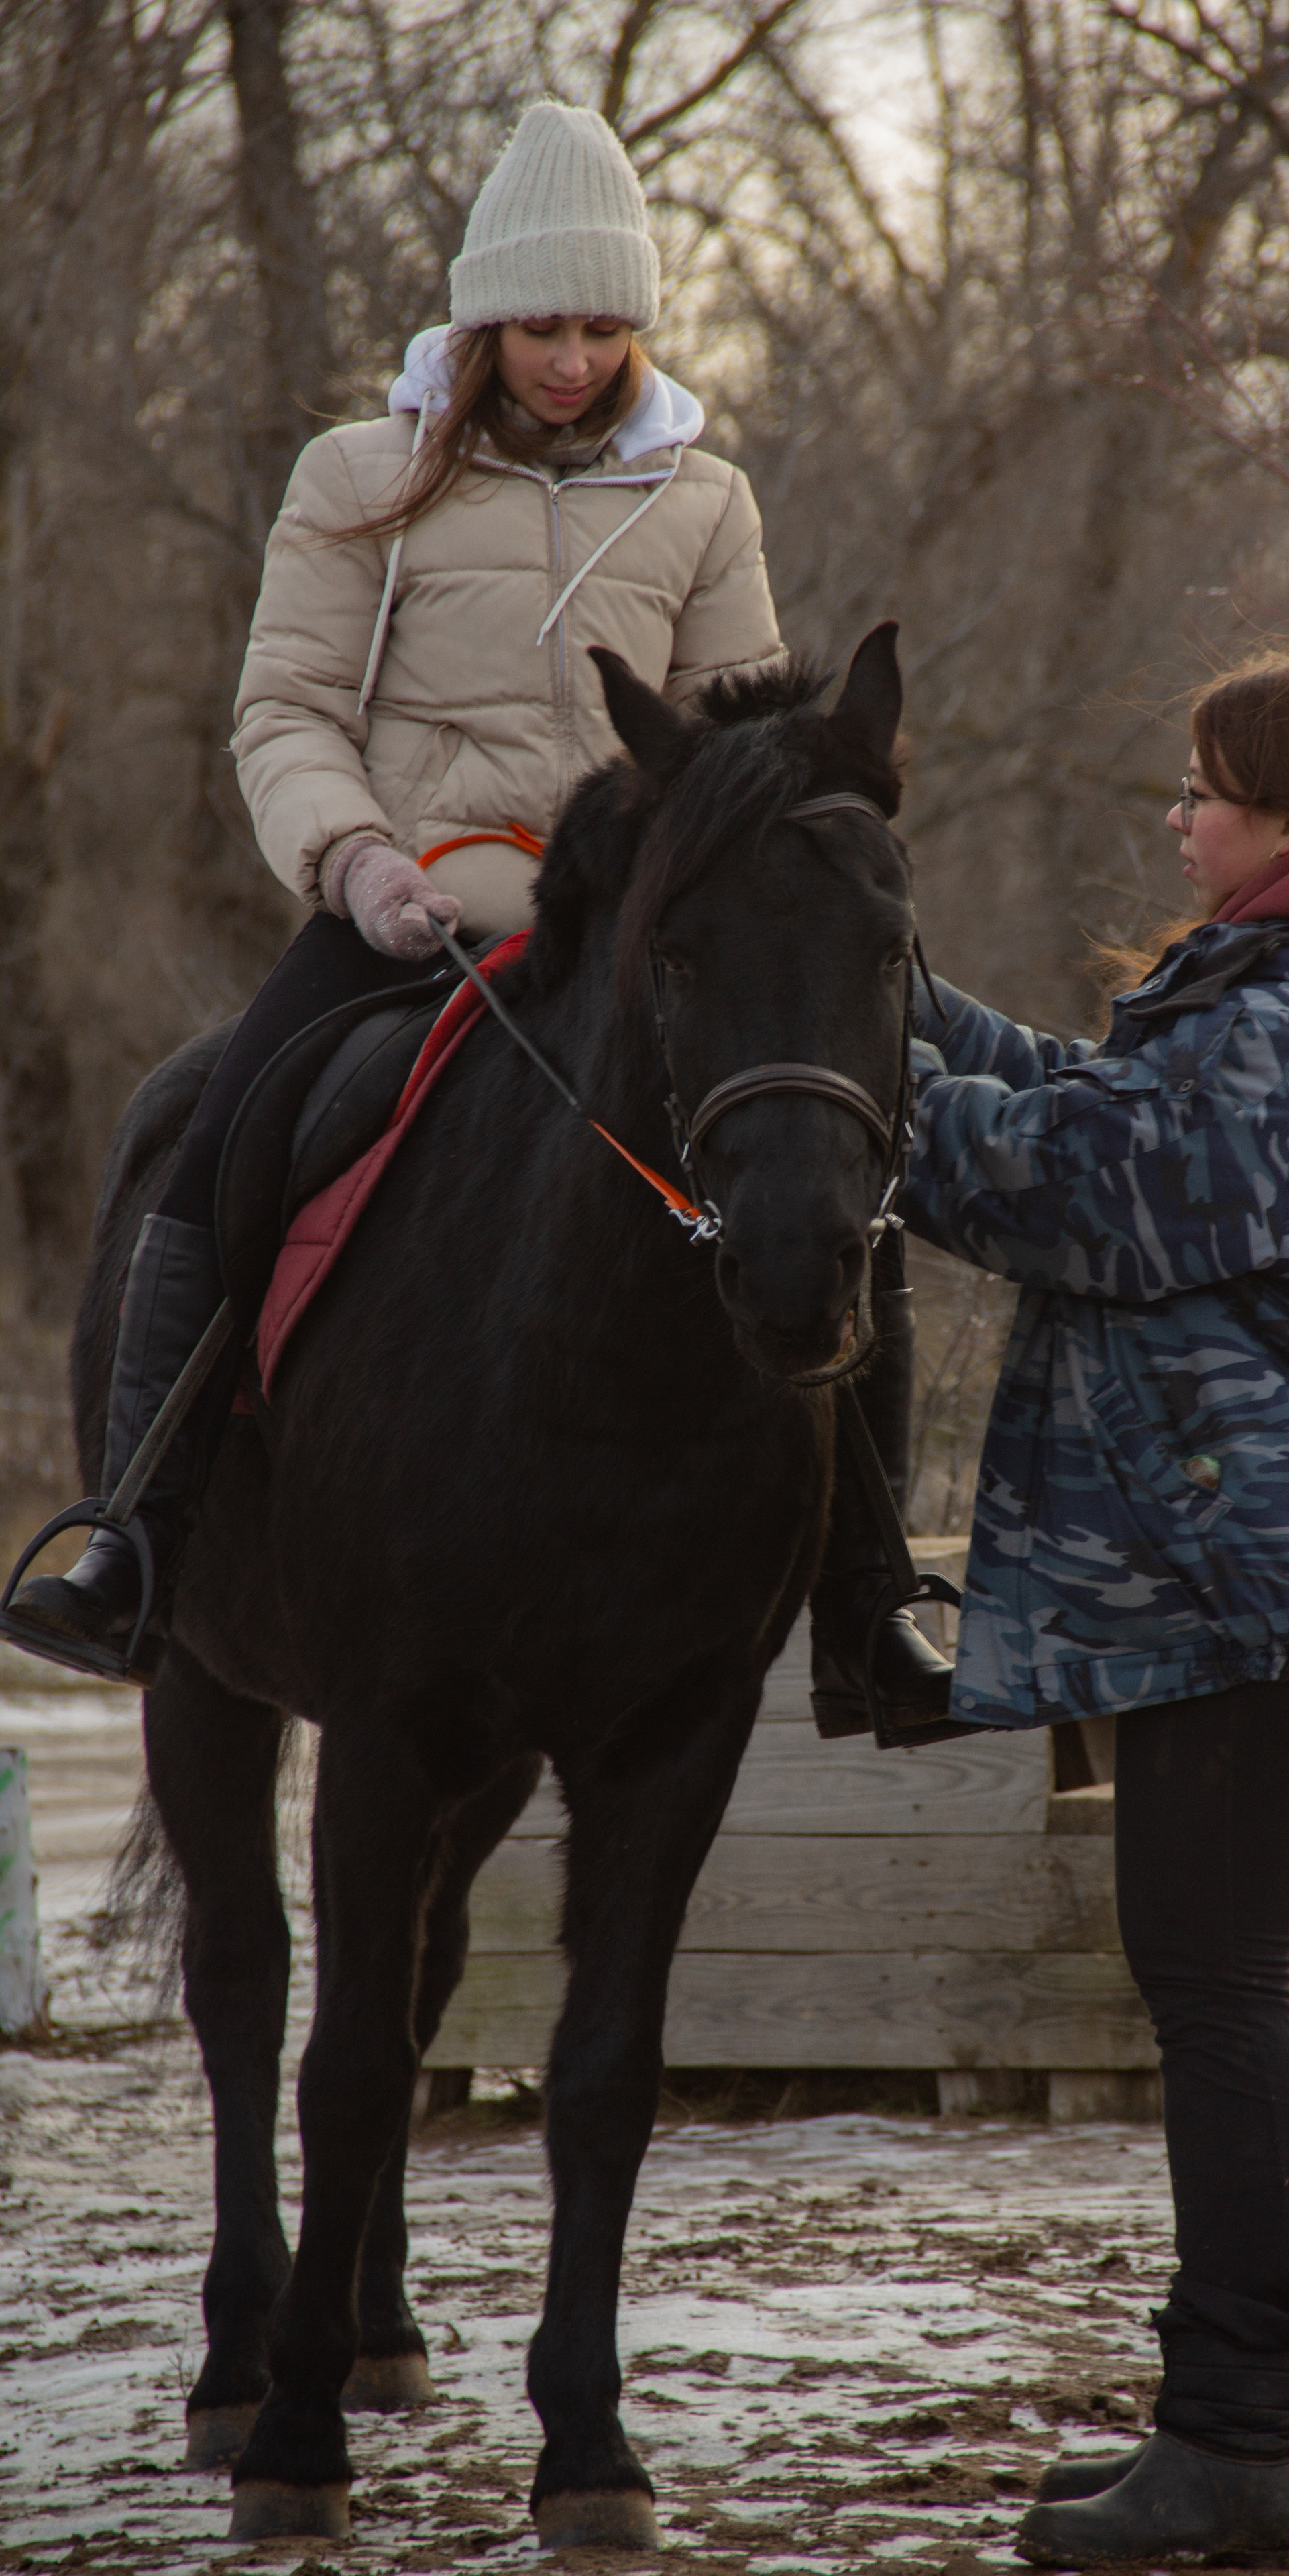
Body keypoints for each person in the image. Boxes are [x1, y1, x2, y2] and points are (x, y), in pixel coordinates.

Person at [2, 98, 951, 1740]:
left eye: (601, 326)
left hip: (619, 932)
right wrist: (358, 861)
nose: (571, 358)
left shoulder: (702, 499)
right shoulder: (359, 475)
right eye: (538, 325)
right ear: (477, 319)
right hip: (403, 912)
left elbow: (737, 750)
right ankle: (137, 1542)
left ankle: (866, 1604)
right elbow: (284, 706)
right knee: (222, 1130)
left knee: (832, 1180)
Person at [903, 643, 1289, 2568]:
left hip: (1257, 1539)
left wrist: (848, 1089)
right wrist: (900, 1008)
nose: (1181, 816)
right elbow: (1099, 1108)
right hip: (1245, 1531)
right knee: (1221, 1987)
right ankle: (1253, 2427)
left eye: (1207, 790)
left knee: (1222, 1992)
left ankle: (1240, 2439)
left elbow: (1100, 1190)